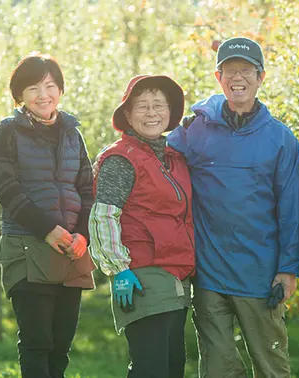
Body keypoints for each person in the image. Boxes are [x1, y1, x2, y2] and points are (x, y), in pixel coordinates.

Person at [167, 37, 299, 378]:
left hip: (260, 274)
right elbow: (158, 158)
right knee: (217, 368)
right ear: (218, 76)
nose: (237, 78)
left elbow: (290, 208)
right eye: (229, 71)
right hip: (209, 273)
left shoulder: (281, 139)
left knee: (271, 367)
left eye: (246, 71)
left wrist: (288, 268)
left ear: (261, 78)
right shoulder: (196, 129)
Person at [0, 53, 96, 378]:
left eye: (50, 86)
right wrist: (48, 230)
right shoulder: (7, 132)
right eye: (33, 87)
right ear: (20, 94)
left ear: (60, 90)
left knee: (60, 346)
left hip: (70, 249)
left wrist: (82, 234)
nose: (43, 95)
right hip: (26, 246)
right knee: (37, 343)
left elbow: (87, 189)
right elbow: (7, 189)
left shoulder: (72, 134)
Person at [88, 74, 195, 378]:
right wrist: (118, 269)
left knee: (172, 368)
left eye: (158, 105)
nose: (151, 113)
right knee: (151, 370)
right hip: (141, 276)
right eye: (142, 106)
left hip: (175, 277)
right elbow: (103, 216)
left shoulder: (173, 158)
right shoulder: (121, 159)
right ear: (127, 115)